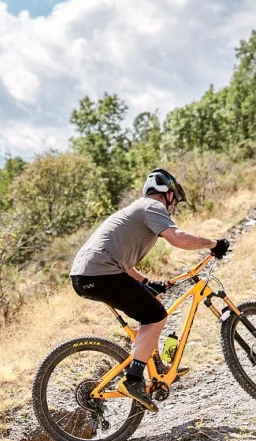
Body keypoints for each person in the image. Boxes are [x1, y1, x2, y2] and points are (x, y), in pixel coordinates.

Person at [70, 168, 229, 413]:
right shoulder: (152, 207)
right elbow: (177, 238)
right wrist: (214, 243)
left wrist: (146, 282)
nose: (173, 205)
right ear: (167, 194)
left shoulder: (134, 210)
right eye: (174, 199)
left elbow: (122, 261)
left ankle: (157, 368)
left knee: (150, 301)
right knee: (155, 315)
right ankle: (133, 379)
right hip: (101, 274)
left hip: (87, 274)